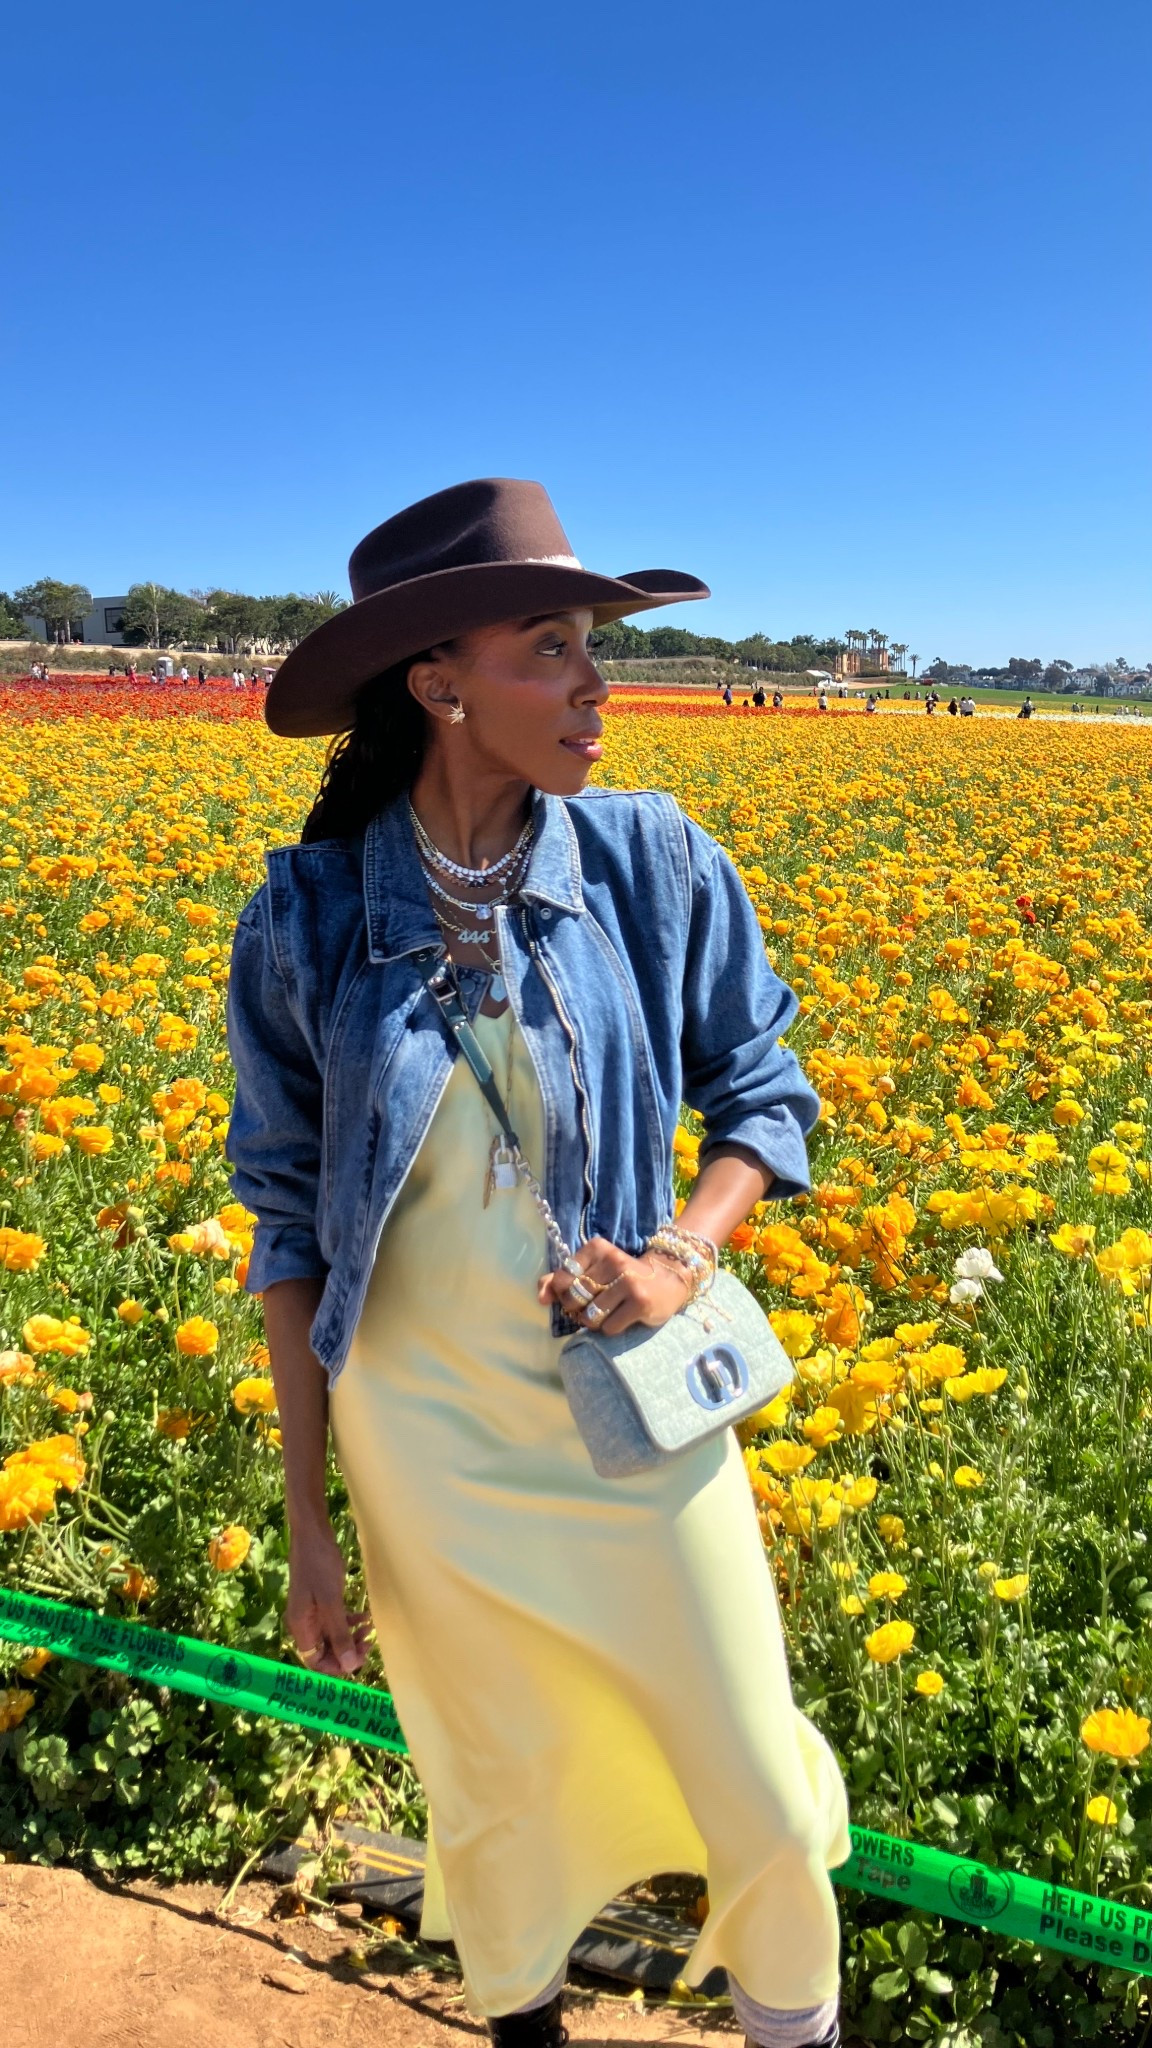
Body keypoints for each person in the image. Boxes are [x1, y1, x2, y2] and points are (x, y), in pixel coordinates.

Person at [225, 479, 849, 2048]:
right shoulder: (303, 915)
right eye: (549, 648)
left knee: (762, 1792)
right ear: (437, 683)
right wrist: (309, 1516)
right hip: (427, 1445)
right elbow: (290, 1229)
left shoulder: (651, 866)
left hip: (630, 1414)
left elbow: (769, 1099)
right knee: (497, 1791)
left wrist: (681, 1257)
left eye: (592, 648)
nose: (594, 684)